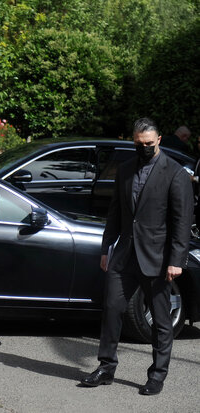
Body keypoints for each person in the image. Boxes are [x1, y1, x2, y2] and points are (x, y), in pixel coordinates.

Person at [80, 118, 193, 396]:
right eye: (138, 144)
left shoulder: (175, 173)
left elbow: (182, 221)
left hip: (157, 258)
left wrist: (176, 260)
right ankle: (106, 367)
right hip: (124, 255)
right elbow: (115, 212)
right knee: (112, 309)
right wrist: (107, 248)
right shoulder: (127, 169)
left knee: (160, 320)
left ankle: (156, 376)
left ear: (159, 140)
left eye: (148, 144)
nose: (143, 148)